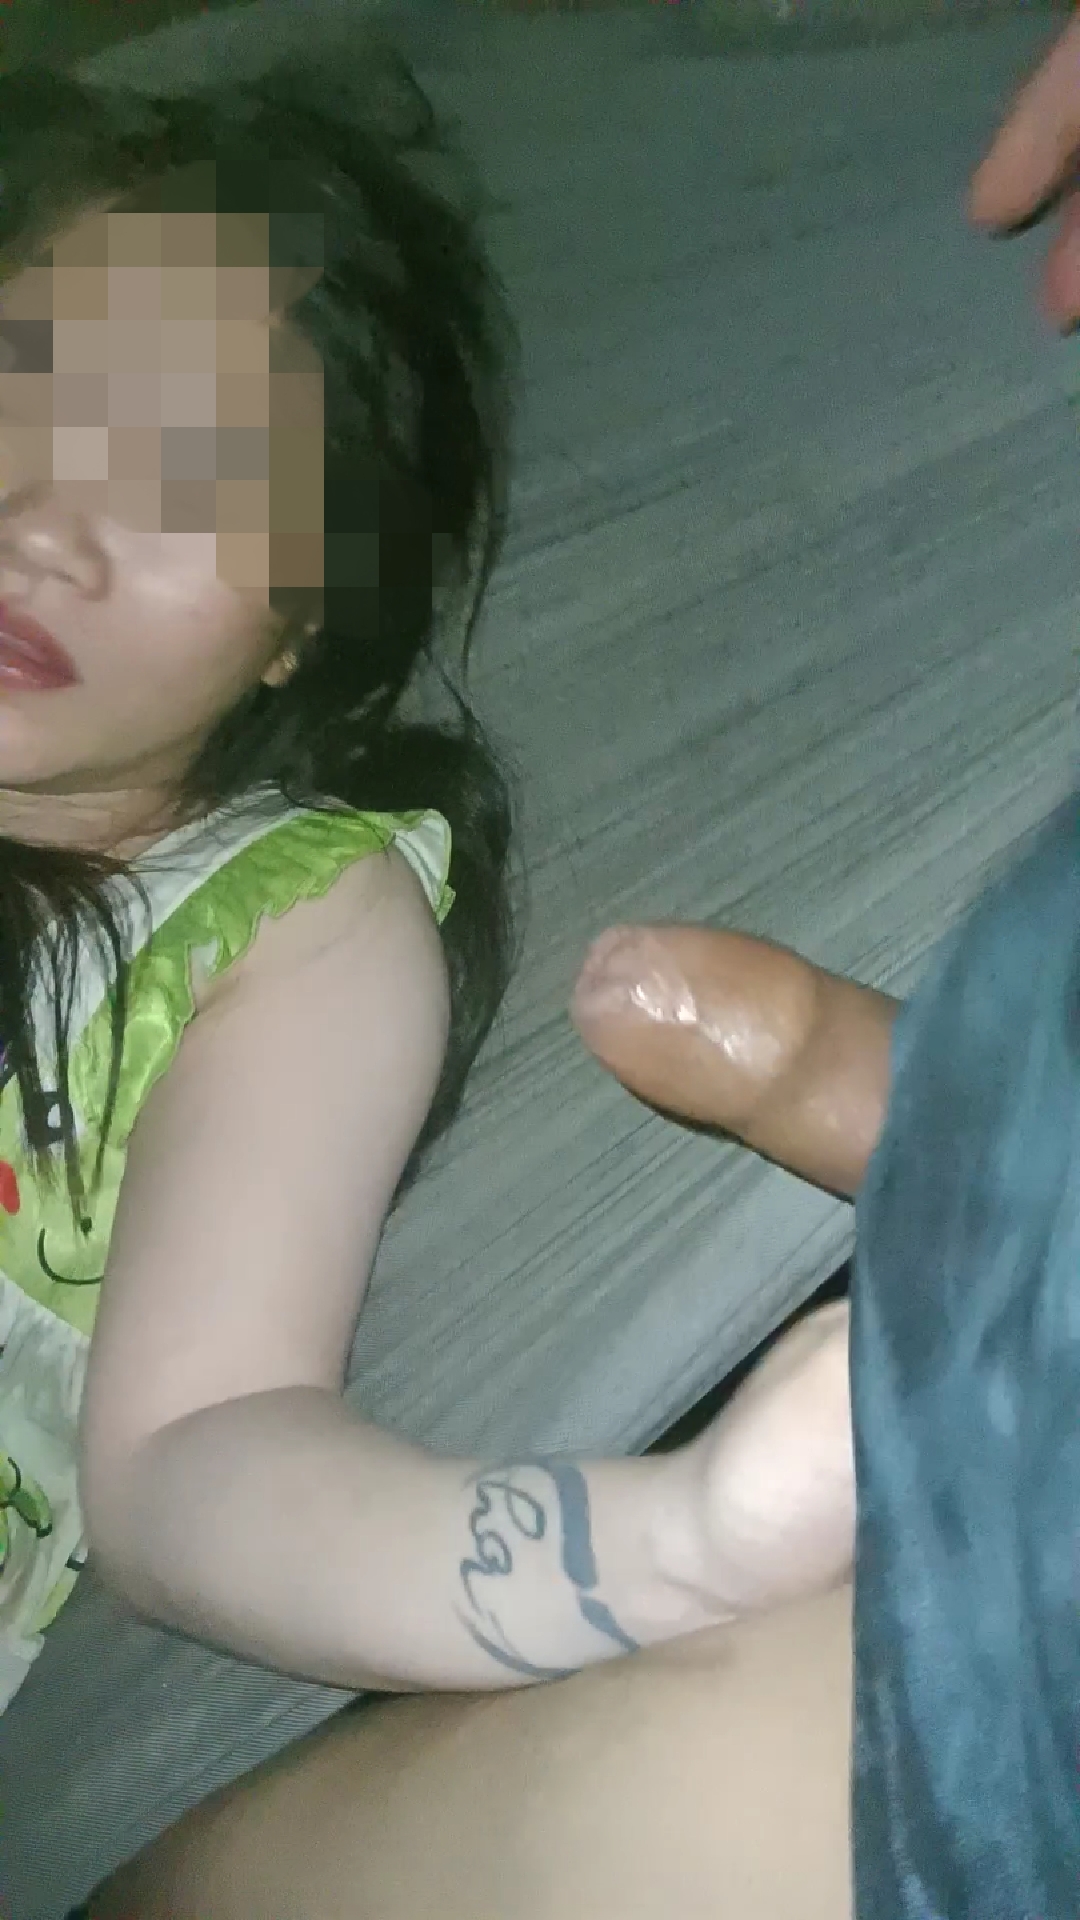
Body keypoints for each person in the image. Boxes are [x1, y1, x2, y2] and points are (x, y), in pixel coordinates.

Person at [76, 11, 1080, 1917]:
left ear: (297, 631)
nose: (45, 523)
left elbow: (191, 1452)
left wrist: (664, 1544)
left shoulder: (282, 917)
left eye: (188, 481)